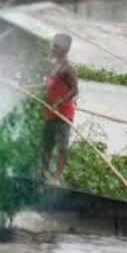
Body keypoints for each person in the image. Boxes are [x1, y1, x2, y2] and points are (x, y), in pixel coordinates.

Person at [41, 33, 78, 184]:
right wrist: (29, 87)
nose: (53, 49)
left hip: (63, 113)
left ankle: (56, 179)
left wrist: (61, 102)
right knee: (47, 146)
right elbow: (48, 86)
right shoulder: (54, 66)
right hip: (50, 111)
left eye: (56, 46)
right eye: (53, 45)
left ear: (64, 50)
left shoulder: (68, 69)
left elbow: (75, 90)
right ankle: (43, 176)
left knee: (62, 147)